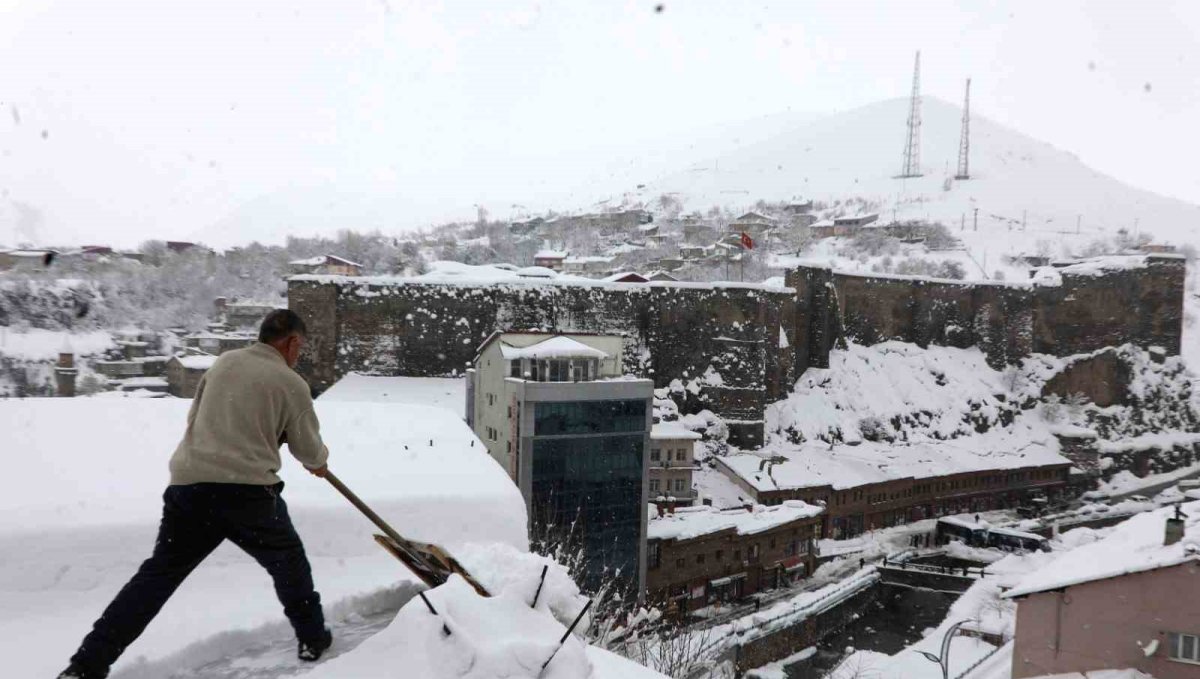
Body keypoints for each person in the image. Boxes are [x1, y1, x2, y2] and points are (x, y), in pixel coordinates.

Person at [59, 310, 333, 679]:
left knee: (155, 579)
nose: (299, 355)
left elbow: (200, 420)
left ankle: (85, 666)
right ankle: (312, 638)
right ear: (292, 341)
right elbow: (309, 450)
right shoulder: (290, 382)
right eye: (300, 347)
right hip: (247, 494)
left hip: (189, 488)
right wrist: (317, 462)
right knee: (289, 564)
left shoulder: (223, 364)